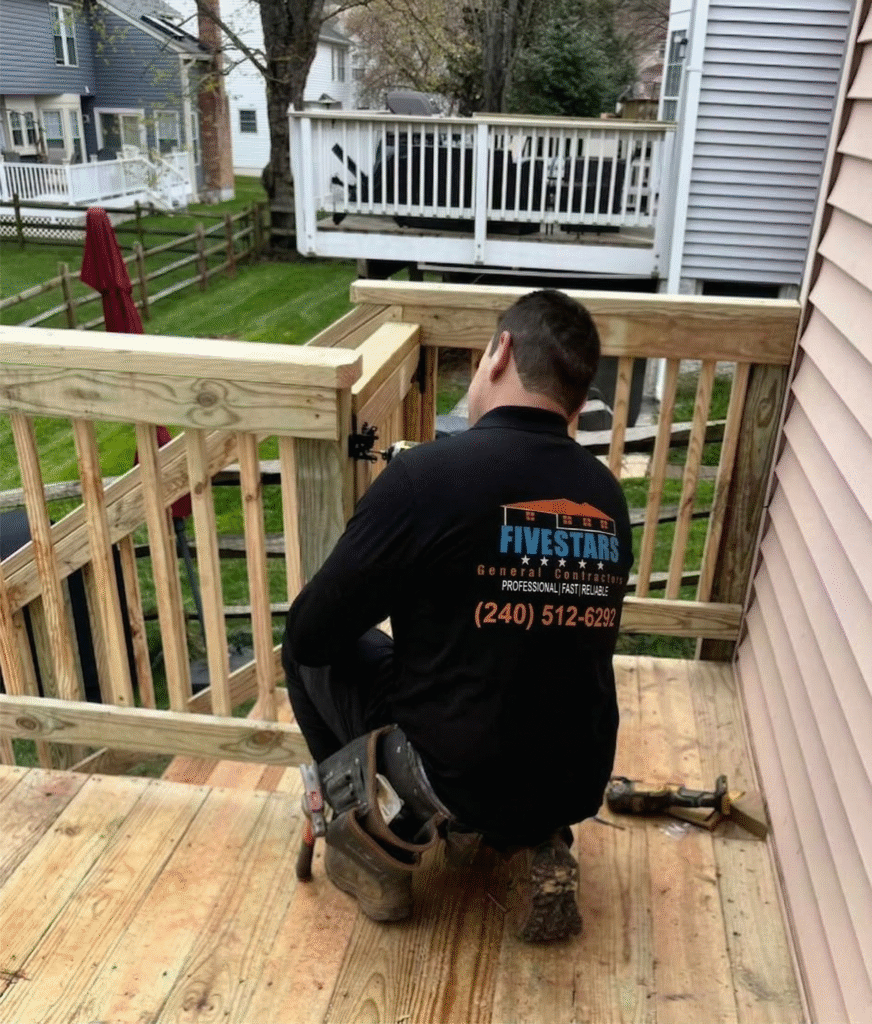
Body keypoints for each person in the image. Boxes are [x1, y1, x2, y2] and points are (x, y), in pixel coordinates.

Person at [281, 289, 633, 942]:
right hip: (578, 775)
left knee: (302, 644)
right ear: (577, 400)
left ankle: (372, 846)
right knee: (520, 678)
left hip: (462, 772)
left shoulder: (427, 479)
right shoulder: (604, 494)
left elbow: (314, 634)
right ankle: (537, 840)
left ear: (498, 353)